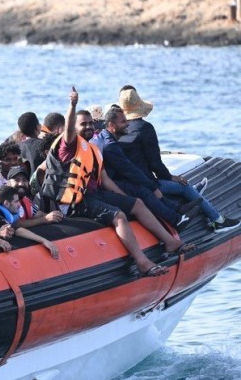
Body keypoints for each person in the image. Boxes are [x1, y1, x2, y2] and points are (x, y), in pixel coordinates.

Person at [40, 88, 190, 278]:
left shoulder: (93, 150)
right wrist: (72, 105)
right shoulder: (68, 146)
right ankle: (142, 262)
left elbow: (107, 180)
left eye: (90, 123)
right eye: (82, 124)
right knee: (118, 216)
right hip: (72, 202)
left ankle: (171, 242)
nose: (87, 127)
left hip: (92, 195)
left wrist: (126, 197)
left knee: (137, 203)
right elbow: (69, 129)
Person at [117, 87, 239, 233]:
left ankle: (194, 192)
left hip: (123, 184)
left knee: (178, 185)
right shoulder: (144, 128)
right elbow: (155, 163)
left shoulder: (116, 130)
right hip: (144, 184)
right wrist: (170, 177)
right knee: (183, 186)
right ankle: (218, 220)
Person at [0, 186, 60, 258]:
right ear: (6, 203)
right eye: (16, 201)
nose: (19, 204)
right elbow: (17, 230)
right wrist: (44, 241)